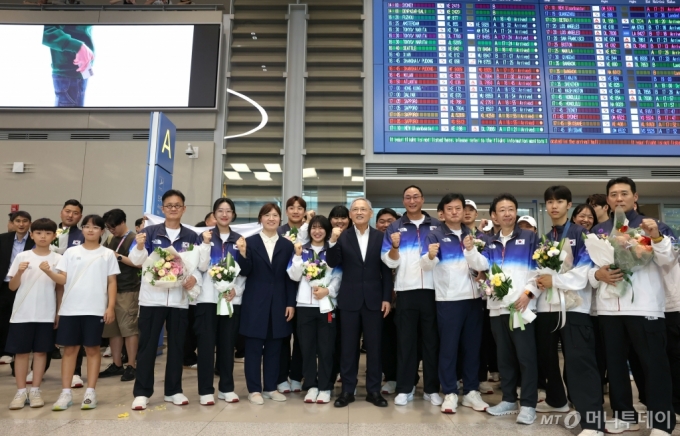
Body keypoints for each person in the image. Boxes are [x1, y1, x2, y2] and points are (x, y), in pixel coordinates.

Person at [589, 177, 676, 435]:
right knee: (615, 366)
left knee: (655, 366)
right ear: (607, 200)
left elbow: (668, 261)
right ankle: (625, 416)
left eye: (624, 193)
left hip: (645, 307)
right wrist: (597, 275)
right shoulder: (599, 231)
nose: (618, 198)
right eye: (613, 194)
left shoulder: (654, 226)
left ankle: (662, 422)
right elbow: (590, 266)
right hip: (608, 308)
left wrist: (657, 238)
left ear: (635, 197)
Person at [533, 186, 605, 436]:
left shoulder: (581, 234)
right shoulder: (545, 237)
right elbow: (537, 271)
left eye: (560, 201)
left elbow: (585, 271)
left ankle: (593, 423)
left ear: (569, 205)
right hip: (546, 307)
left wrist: (556, 281)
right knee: (547, 359)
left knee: (579, 363)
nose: (554, 206)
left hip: (574, 307)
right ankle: (557, 401)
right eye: (550, 202)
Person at [463, 193, 540, 425]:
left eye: (511, 209)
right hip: (497, 308)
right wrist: (469, 250)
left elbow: (539, 269)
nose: (507, 214)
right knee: (504, 357)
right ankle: (508, 399)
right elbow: (482, 265)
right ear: (494, 216)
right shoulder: (489, 241)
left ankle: (528, 404)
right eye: (502, 210)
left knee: (526, 358)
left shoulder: (529, 237)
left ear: (515, 212)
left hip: (521, 307)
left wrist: (528, 294)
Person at [128, 190, 203, 411]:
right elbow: (136, 260)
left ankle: (173, 391)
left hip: (179, 301)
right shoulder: (149, 233)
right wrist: (140, 245)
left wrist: (192, 279)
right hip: (152, 300)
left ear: (184, 209)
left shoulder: (191, 236)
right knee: (147, 347)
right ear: (162, 209)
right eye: (169, 205)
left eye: (177, 205)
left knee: (177, 347)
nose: (173, 208)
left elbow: (198, 266)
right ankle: (142, 392)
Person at [421, 194, 489, 414]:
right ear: (442, 213)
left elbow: (483, 265)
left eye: (458, 208)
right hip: (449, 300)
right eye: (449, 209)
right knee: (449, 347)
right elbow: (427, 266)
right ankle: (450, 391)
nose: (455, 212)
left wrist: (471, 250)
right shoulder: (435, 235)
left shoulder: (473, 235)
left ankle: (471, 391)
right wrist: (430, 256)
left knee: (472, 347)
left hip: (473, 299)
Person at [327, 198, 392, 408]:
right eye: (355, 209)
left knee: (375, 347)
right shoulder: (342, 236)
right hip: (349, 299)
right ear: (350, 215)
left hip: (374, 300)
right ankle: (347, 390)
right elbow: (331, 262)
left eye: (363, 209)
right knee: (348, 347)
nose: (359, 212)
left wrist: (386, 298)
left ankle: (374, 390)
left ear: (371, 213)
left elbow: (386, 271)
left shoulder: (381, 237)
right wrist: (333, 241)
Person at [51, 214, 119, 411]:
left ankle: (91, 392)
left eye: (95, 227)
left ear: (102, 231)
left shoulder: (107, 254)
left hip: (95, 308)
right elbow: (62, 279)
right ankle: (65, 393)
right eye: (87, 226)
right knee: (70, 350)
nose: (90, 230)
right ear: (82, 229)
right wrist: (49, 272)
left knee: (92, 349)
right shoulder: (71, 253)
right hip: (71, 308)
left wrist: (110, 307)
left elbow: (112, 282)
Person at [382, 186, 442, 407]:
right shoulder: (394, 227)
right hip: (406, 291)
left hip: (433, 291)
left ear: (423, 199)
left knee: (431, 342)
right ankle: (405, 388)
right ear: (403, 201)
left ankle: (431, 388)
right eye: (407, 197)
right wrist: (395, 246)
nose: (412, 200)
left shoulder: (437, 225)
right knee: (405, 343)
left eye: (416, 196)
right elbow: (390, 261)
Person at [239, 203, 297, 405]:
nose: (271, 218)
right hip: (255, 301)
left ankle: (270, 387)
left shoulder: (287, 245)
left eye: (275, 215)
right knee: (254, 347)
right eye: (267, 215)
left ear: (280, 219)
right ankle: (254, 389)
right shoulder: (250, 242)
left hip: (280, 301)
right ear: (260, 219)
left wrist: (291, 303)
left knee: (275, 347)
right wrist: (243, 253)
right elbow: (244, 271)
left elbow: (290, 277)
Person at [6, 218, 62, 410]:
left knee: (40, 352)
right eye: (38, 233)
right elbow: (12, 287)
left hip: (46, 313)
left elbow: (61, 286)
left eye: (47, 233)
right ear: (32, 235)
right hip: (22, 313)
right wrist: (20, 273)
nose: (43, 236)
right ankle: (21, 392)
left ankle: (36, 389)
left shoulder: (58, 259)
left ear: (54, 236)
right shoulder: (22, 257)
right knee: (21, 353)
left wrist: (58, 312)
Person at [195, 198, 245, 405]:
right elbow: (200, 266)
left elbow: (244, 272)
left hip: (230, 300)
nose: (224, 214)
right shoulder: (203, 237)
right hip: (207, 299)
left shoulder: (240, 239)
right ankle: (206, 390)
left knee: (227, 345)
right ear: (214, 214)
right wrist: (206, 244)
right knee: (206, 346)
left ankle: (227, 387)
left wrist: (236, 291)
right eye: (220, 211)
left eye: (228, 211)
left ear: (233, 214)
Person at [287, 215, 341, 404]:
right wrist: (298, 256)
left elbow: (338, 276)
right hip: (304, 306)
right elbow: (293, 276)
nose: (317, 231)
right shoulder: (302, 249)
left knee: (326, 349)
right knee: (306, 348)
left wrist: (328, 291)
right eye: (313, 228)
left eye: (321, 228)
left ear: (327, 230)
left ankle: (325, 387)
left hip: (326, 306)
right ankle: (311, 385)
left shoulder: (332, 250)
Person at [276, 196, 313, 393]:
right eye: (292, 207)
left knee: (301, 337)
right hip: (283, 288)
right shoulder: (278, 231)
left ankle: (297, 375)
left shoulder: (311, 231)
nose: (296, 211)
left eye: (300, 208)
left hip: (306, 290)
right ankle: (281, 376)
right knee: (282, 335)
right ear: (286, 211)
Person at [98, 209, 140, 382]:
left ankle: (131, 365)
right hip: (110, 289)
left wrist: (118, 256)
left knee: (129, 329)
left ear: (123, 222)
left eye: (113, 226)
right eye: (108, 227)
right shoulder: (110, 239)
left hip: (128, 289)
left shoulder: (134, 239)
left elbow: (139, 263)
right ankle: (116, 364)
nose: (112, 230)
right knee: (112, 329)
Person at [463, 200, 499, 392]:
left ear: (476, 214)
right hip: (459, 294)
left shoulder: (486, 238)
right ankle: (461, 376)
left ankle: (480, 378)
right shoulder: (454, 234)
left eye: (471, 210)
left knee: (481, 339)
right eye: (464, 210)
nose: (467, 213)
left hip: (482, 295)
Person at [0, 211, 34, 365]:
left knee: (20, 320)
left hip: (26, 285)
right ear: (12, 223)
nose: (21, 224)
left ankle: (14, 352)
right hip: (4, 285)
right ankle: (4, 351)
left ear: (29, 223)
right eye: (18, 221)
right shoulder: (3, 239)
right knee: (3, 319)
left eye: (25, 221)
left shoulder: (34, 240)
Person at [374, 208, 400, 394]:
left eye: (389, 221)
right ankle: (390, 377)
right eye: (381, 221)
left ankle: (407, 377)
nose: (385, 224)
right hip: (381, 301)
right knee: (385, 340)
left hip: (403, 300)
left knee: (404, 341)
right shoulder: (374, 243)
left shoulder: (404, 242)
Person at [42, 26, 94, 107]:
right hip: (70, 74)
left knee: (71, 117)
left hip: (80, 70)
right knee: (69, 118)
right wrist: (76, 46)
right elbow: (45, 30)